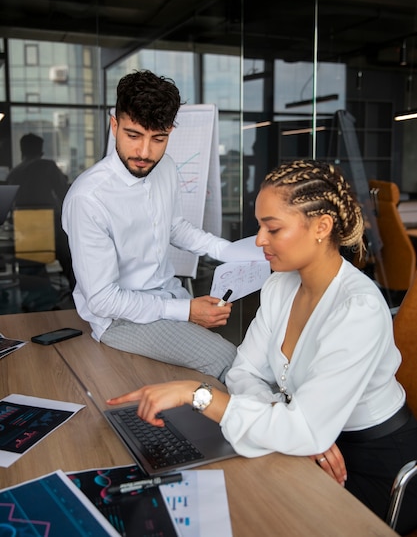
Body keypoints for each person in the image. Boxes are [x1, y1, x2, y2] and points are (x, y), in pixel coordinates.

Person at [107, 159, 417, 536]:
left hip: (373, 465)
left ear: (322, 227)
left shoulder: (358, 309)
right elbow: (243, 372)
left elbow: (301, 426)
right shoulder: (279, 286)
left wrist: (197, 394)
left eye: (273, 228)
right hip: (317, 446)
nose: (258, 240)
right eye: (260, 226)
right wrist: (294, 426)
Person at [62, 69, 237, 382]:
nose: (144, 153)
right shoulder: (88, 198)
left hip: (169, 296)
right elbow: (102, 299)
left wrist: (227, 250)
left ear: (170, 130)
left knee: (248, 355)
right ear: (114, 125)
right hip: (120, 320)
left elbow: (173, 227)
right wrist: (186, 312)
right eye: (133, 135)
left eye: (158, 139)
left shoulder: (165, 166)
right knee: (227, 360)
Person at [6, 132, 75, 290]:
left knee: (32, 266)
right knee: (71, 259)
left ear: (22, 150)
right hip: (49, 226)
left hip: (23, 230)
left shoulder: (13, 173)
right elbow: (64, 194)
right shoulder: (47, 166)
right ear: (41, 150)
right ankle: (75, 293)